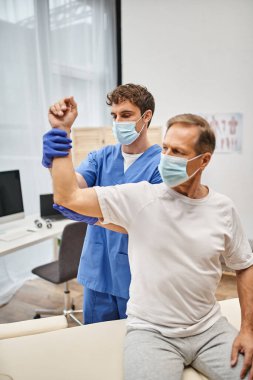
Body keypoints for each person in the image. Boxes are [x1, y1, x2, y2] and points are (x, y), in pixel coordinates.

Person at [49, 111, 253, 380]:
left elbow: (244, 264)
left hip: (209, 329)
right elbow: (68, 196)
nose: (165, 158)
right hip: (151, 332)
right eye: (165, 148)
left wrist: (247, 329)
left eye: (177, 152)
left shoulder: (223, 208)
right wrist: (61, 135)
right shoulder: (141, 198)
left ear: (204, 160)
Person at [42, 84, 162, 324]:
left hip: (139, 277)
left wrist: (97, 216)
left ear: (146, 117)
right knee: (96, 345)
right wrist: (61, 138)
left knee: (135, 348)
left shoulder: (161, 165)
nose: (118, 122)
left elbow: (155, 224)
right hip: (98, 271)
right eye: (114, 116)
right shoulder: (101, 157)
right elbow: (70, 188)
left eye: (126, 115)